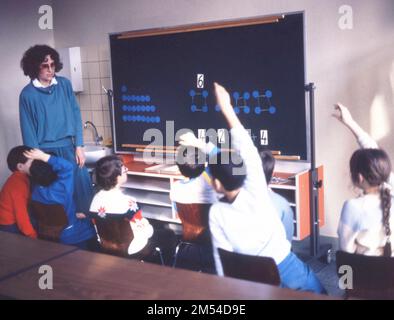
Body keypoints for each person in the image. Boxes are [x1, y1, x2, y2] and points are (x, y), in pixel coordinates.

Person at [208, 82, 324, 293]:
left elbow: (221, 257)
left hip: (246, 276)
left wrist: (228, 289)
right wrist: (226, 107)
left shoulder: (215, 212)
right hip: (285, 266)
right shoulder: (257, 191)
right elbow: (248, 150)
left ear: (216, 183)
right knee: (320, 294)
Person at [19, 44, 93, 216]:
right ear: (34, 66)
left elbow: (76, 115)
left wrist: (79, 145)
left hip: (69, 147)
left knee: (82, 191)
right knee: (55, 197)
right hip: (44, 152)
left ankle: (89, 235)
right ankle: (59, 238)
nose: (50, 69)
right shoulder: (27, 94)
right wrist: (35, 159)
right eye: (45, 65)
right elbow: (28, 129)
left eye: (53, 65)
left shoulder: (64, 85)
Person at [90, 155, 176, 264]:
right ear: (116, 177)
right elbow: (145, 230)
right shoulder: (129, 202)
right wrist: (150, 229)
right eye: (124, 169)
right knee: (169, 234)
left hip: (107, 247)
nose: (126, 170)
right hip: (132, 249)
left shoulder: (94, 200)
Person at [334, 103, 394, 256]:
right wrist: (350, 122)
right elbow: (373, 151)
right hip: (390, 275)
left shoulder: (352, 207)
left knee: (345, 272)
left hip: (363, 274)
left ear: (359, 177)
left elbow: (346, 250)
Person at [26, 148, 96, 247]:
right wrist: (43, 156)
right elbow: (67, 166)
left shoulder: (36, 191)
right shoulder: (61, 187)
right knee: (89, 225)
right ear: (54, 169)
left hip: (51, 234)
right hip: (72, 234)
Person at [0, 146, 37, 238]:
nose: (37, 165)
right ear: (20, 166)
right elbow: (21, 215)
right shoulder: (17, 185)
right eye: (33, 162)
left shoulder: (22, 178)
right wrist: (32, 235)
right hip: (8, 225)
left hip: (13, 221)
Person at [260, 149, 294, 243]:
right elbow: (287, 240)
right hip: (273, 256)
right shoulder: (281, 204)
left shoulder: (233, 201)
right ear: (272, 173)